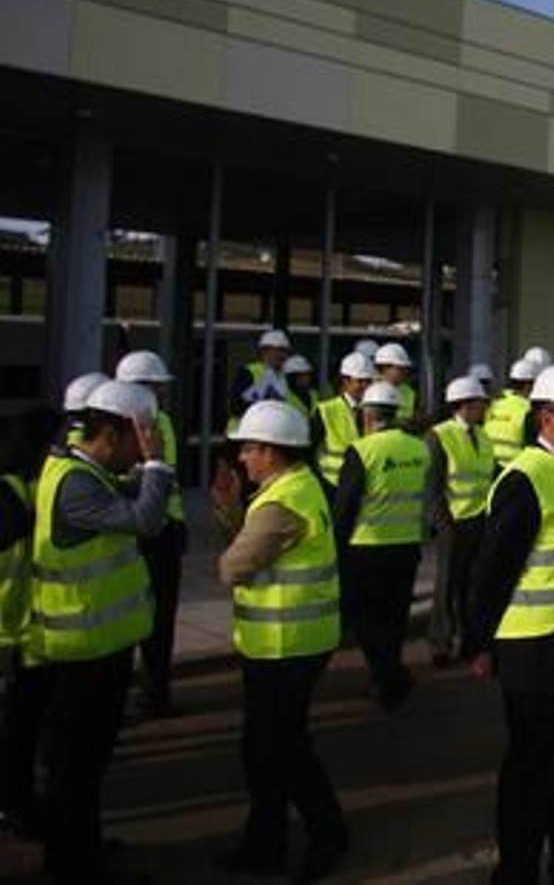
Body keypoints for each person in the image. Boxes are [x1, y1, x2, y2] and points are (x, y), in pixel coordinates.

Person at [466, 362, 554, 885]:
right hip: (537, 656)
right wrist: (478, 641)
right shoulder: (526, 478)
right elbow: (491, 570)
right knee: (534, 774)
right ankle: (517, 874)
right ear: (547, 417)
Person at [30, 380, 177, 884]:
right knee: (75, 768)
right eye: (142, 439)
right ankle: (69, 864)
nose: (145, 450)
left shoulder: (83, 471)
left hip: (99, 646)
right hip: (83, 649)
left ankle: (82, 850)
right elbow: (146, 520)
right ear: (114, 434)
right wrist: (159, 466)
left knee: (86, 766)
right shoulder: (77, 483)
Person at [211, 402, 347, 879]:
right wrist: (232, 511)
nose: (243, 458)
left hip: (284, 645)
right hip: (284, 642)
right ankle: (265, 841)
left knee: (281, 751)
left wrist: (234, 519)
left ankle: (325, 836)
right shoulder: (300, 486)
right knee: (266, 748)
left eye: (248, 448)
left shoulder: (279, 505)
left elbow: (231, 567)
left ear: (271, 451)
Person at [332, 381, 428, 711]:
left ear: (367, 416)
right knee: (394, 618)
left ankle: (389, 674)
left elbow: (344, 506)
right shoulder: (418, 449)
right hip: (406, 548)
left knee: (361, 616)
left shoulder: (362, 451)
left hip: (367, 549)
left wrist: (335, 547)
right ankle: (386, 680)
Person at [113, 350, 188, 719]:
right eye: (157, 388)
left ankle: (155, 692)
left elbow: (167, 478)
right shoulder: (122, 430)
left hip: (165, 529)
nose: (162, 393)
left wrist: (178, 522)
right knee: (130, 614)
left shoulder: (164, 422)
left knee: (161, 617)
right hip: (138, 530)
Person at [0, 402, 60, 841]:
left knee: (21, 730)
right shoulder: (11, 494)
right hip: (8, 635)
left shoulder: (25, 485)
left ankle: (18, 803)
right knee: (15, 733)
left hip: (23, 632)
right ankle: (15, 806)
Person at [424, 377, 496, 667]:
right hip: (452, 523)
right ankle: (440, 644)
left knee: (474, 586)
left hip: (479, 521)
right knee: (447, 586)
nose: (485, 408)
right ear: (465, 405)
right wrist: (443, 524)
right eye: (481, 403)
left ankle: (470, 641)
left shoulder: (484, 437)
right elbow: (432, 487)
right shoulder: (439, 436)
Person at [311, 352, 374, 486]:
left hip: (367, 483)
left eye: (369, 381)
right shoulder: (326, 410)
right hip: (333, 484)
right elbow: (309, 450)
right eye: (360, 381)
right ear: (345, 381)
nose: (365, 386)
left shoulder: (375, 410)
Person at [230, 328, 293, 430]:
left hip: (270, 432)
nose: (282, 355)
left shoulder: (287, 375)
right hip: (243, 432)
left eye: (284, 350)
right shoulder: (249, 372)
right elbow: (236, 407)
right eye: (277, 350)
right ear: (264, 352)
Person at [485, 357, 541, 467]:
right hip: (515, 470)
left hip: (489, 469)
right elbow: (532, 448)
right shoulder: (528, 410)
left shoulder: (493, 405)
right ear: (529, 385)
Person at [373, 343, 419, 425]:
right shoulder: (369, 391)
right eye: (400, 368)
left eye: (405, 368)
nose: (405, 372)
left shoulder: (408, 392)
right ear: (384, 368)